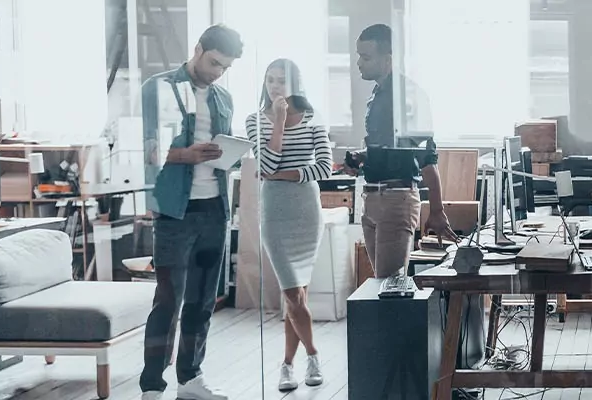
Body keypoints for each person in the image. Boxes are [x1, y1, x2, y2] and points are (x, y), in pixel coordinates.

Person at [137, 24, 242, 400]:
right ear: (198, 49)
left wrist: (228, 156)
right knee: (168, 301)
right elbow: (144, 151)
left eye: (225, 68)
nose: (217, 72)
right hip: (174, 213)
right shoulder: (158, 89)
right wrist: (186, 155)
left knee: (202, 301)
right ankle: (152, 385)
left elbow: (222, 152)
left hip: (214, 208)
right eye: (214, 63)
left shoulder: (224, 98)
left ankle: (190, 379)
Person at [245, 58, 332, 392]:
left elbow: (324, 168)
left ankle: (286, 366)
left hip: (306, 212)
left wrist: (282, 175)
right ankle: (313, 354)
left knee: (295, 298)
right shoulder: (254, 120)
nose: (274, 86)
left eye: (281, 80)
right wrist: (279, 121)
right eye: (269, 80)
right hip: (275, 213)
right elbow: (265, 161)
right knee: (293, 294)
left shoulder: (313, 118)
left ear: (295, 83)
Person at [346, 24, 460, 278]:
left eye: (365, 57)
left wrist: (438, 210)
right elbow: (390, 149)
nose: (359, 63)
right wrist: (361, 158)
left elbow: (427, 158)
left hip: (395, 200)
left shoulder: (409, 97)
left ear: (387, 60)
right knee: (381, 286)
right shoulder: (377, 94)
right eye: (358, 56)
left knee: (389, 288)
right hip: (372, 199)